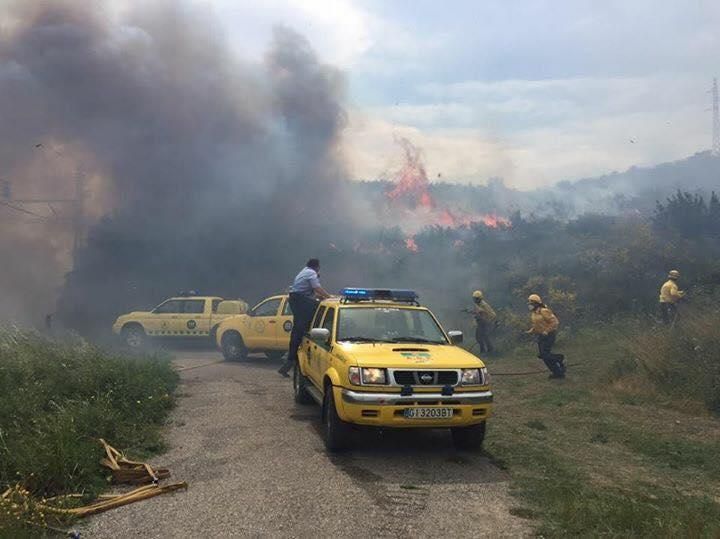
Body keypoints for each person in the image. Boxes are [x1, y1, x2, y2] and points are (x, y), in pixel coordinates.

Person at [277, 258, 331, 377]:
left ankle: (289, 360)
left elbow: (312, 292)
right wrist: (329, 297)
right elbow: (317, 288)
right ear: (317, 267)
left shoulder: (304, 271)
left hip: (296, 299)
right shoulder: (311, 273)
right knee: (319, 310)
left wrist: (320, 297)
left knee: (298, 329)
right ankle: (317, 330)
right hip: (299, 300)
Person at [526, 294, 565, 379]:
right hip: (541, 336)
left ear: (536, 303)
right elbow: (537, 324)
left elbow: (555, 322)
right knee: (544, 356)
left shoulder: (544, 311)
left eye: (531, 302)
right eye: (529, 302)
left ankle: (559, 358)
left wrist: (546, 331)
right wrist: (531, 331)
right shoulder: (534, 313)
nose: (529, 304)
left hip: (549, 335)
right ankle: (558, 373)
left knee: (545, 355)